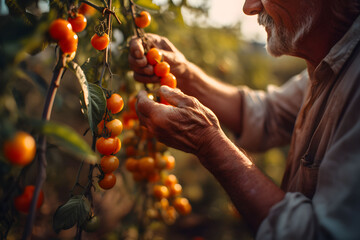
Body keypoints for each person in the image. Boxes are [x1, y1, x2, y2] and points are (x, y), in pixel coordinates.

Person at [128, 0, 360, 239]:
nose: (249, 7)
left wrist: (207, 142)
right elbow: (269, 114)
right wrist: (184, 73)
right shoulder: (328, 66)